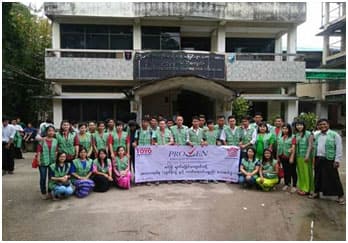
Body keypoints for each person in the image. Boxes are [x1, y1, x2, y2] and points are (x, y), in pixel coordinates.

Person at [309, 119, 345, 205]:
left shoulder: (335, 135)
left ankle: (340, 196)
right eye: (320, 124)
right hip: (318, 158)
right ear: (318, 126)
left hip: (329, 159)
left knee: (334, 177)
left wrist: (337, 160)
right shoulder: (317, 134)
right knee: (317, 176)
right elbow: (311, 136)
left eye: (324, 124)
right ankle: (316, 192)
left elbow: (339, 148)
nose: (322, 126)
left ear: (328, 125)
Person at [36, 126, 58, 199]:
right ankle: (43, 192)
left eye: (52, 131)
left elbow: (57, 151)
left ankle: (50, 192)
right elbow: (38, 151)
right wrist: (38, 160)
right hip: (43, 161)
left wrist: (56, 160)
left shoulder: (56, 140)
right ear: (46, 132)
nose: (51, 132)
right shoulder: (42, 140)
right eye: (49, 131)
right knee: (43, 177)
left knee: (51, 178)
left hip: (52, 161)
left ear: (54, 132)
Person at [294, 121, 314, 196]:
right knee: (300, 172)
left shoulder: (308, 133)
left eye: (301, 125)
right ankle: (302, 187)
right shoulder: (297, 134)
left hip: (306, 156)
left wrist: (307, 155)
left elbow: (310, 145)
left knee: (307, 172)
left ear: (304, 125)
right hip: (298, 156)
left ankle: (308, 189)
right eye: (297, 125)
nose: (299, 126)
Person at [277, 123, 296, 193]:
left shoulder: (293, 137)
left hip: (289, 157)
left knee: (292, 171)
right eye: (283, 128)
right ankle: (286, 183)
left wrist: (291, 157)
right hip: (282, 156)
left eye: (286, 128)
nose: (285, 130)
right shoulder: (280, 137)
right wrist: (278, 157)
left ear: (289, 129)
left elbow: (293, 147)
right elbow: (278, 148)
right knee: (285, 171)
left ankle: (294, 185)